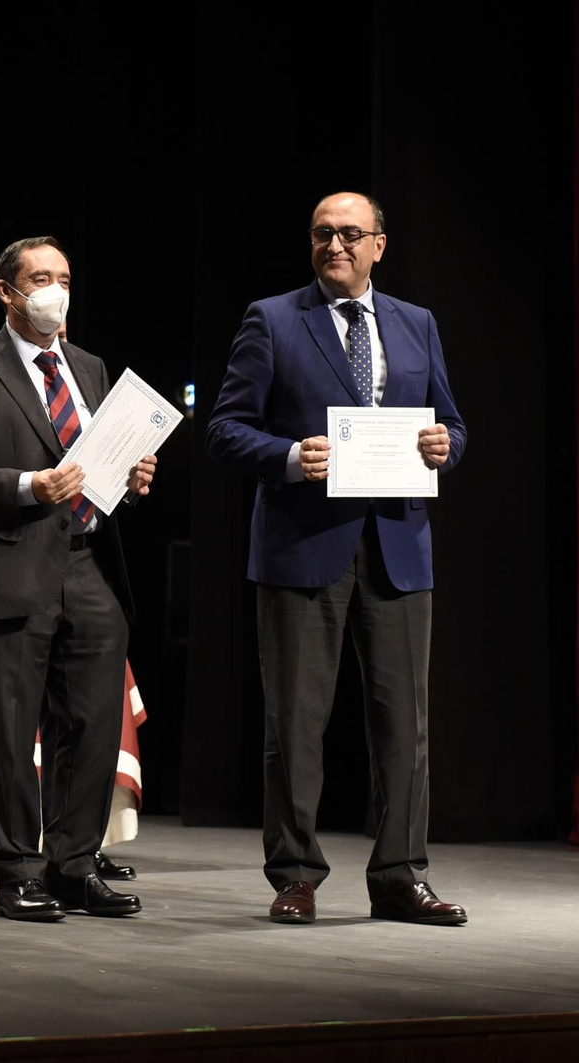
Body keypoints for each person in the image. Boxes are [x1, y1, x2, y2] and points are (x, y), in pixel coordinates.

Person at [205, 191, 469, 926]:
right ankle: (295, 875)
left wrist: (446, 446)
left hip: (397, 547)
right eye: (323, 233)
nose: (335, 245)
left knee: (404, 726)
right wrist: (290, 456)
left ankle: (401, 876)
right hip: (301, 545)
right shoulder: (273, 319)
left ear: (379, 244)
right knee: (295, 724)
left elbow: (451, 423)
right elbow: (225, 428)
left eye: (351, 233)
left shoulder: (417, 323)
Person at [0, 236, 155, 922]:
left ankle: (74, 865)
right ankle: (14, 869)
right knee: (11, 727)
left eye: (64, 278)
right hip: (14, 563)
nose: (56, 291)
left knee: (91, 726)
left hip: (91, 565)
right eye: (41, 278)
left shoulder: (88, 366)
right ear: (7, 291)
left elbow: (101, 466)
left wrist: (133, 478)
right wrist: (30, 484)